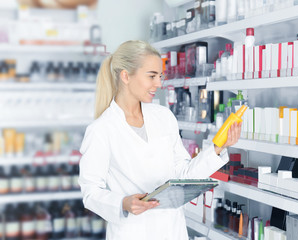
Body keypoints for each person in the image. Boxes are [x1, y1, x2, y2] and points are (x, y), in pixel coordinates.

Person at [78, 40, 242, 239]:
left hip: (171, 229)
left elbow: (183, 174)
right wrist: (122, 203)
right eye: (152, 76)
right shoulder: (101, 129)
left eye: (160, 76)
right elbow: (90, 192)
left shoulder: (164, 116)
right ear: (125, 76)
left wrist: (218, 148)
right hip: (132, 231)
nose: (159, 83)